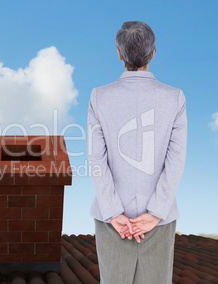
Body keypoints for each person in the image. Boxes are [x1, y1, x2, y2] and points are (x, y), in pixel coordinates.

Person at [87, 21, 187, 284]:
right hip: (159, 222)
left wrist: (113, 212)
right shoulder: (175, 98)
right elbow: (175, 162)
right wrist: (155, 212)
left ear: (119, 54)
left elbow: (96, 160)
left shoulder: (99, 97)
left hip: (113, 222)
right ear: (153, 53)